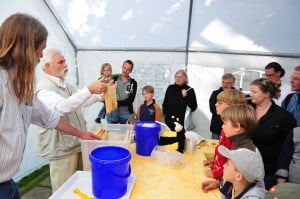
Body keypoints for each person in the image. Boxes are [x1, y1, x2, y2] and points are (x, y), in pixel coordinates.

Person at [0, 13, 99, 199]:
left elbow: (49, 117)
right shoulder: (11, 84)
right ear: (24, 47)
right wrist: (88, 89)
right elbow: (61, 108)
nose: (39, 56)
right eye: (40, 49)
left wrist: (81, 134)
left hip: (8, 182)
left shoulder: (21, 84)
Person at [35, 48, 107, 192]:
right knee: (64, 190)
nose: (65, 65)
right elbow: (62, 107)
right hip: (61, 150)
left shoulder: (67, 86)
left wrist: (102, 92)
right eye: (60, 62)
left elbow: (83, 101)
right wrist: (88, 89)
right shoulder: (43, 89)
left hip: (76, 142)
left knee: (80, 185)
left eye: (65, 61)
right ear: (47, 66)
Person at [202, 104, 262, 193]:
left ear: (237, 127)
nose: (222, 127)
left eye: (225, 123)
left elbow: (242, 185)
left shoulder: (244, 154)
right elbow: (233, 178)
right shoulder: (237, 146)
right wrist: (218, 183)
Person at [250, 78, 297, 190]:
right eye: (251, 91)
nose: (251, 95)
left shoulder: (284, 117)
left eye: (255, 92)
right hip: (245, 167)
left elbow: (290, 148)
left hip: (268, 173)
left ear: (267, 93)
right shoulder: (247, 110)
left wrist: (281, 175)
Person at [201, 89, 247, 191]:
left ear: (232, 106)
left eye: (220, 103)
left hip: (225, 183)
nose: (216, 105)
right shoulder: (226, 127)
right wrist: (213, 163)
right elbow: (222, 153)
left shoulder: (234, 132)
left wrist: (218, 181)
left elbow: (234, 164)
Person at [160, 69, 198, 153]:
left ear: (185, 79)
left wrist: (186, 97)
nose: (178, 79)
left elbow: (194, 107)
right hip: (169, 121)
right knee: (167, 144)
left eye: (180, 77)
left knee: (179, 146)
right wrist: (164, 117)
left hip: (180, 122)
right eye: (176, 77)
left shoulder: (189, 90)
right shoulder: (170, 88)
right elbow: (165, 104)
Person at [106, 60, 137, 124]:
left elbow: (130, 100)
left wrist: (115, 103)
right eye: (124, 68)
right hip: (112, 113)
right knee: (112, 133)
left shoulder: (133, 83)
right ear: (122, 67)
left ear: (131, 71)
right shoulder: (113, 79)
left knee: (135, 123)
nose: (125, 71)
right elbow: (106, 96)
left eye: (128, 69)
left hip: (127, 114)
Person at [209, 73, 235, 139]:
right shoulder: (215, 94)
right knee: (215, 147)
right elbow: (213, 109)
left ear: (233, 84)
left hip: (231, 128)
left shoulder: (236, 95)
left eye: (228, 83)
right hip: (217, 127)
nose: (225, 85)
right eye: (223, 82)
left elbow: (236, 111)